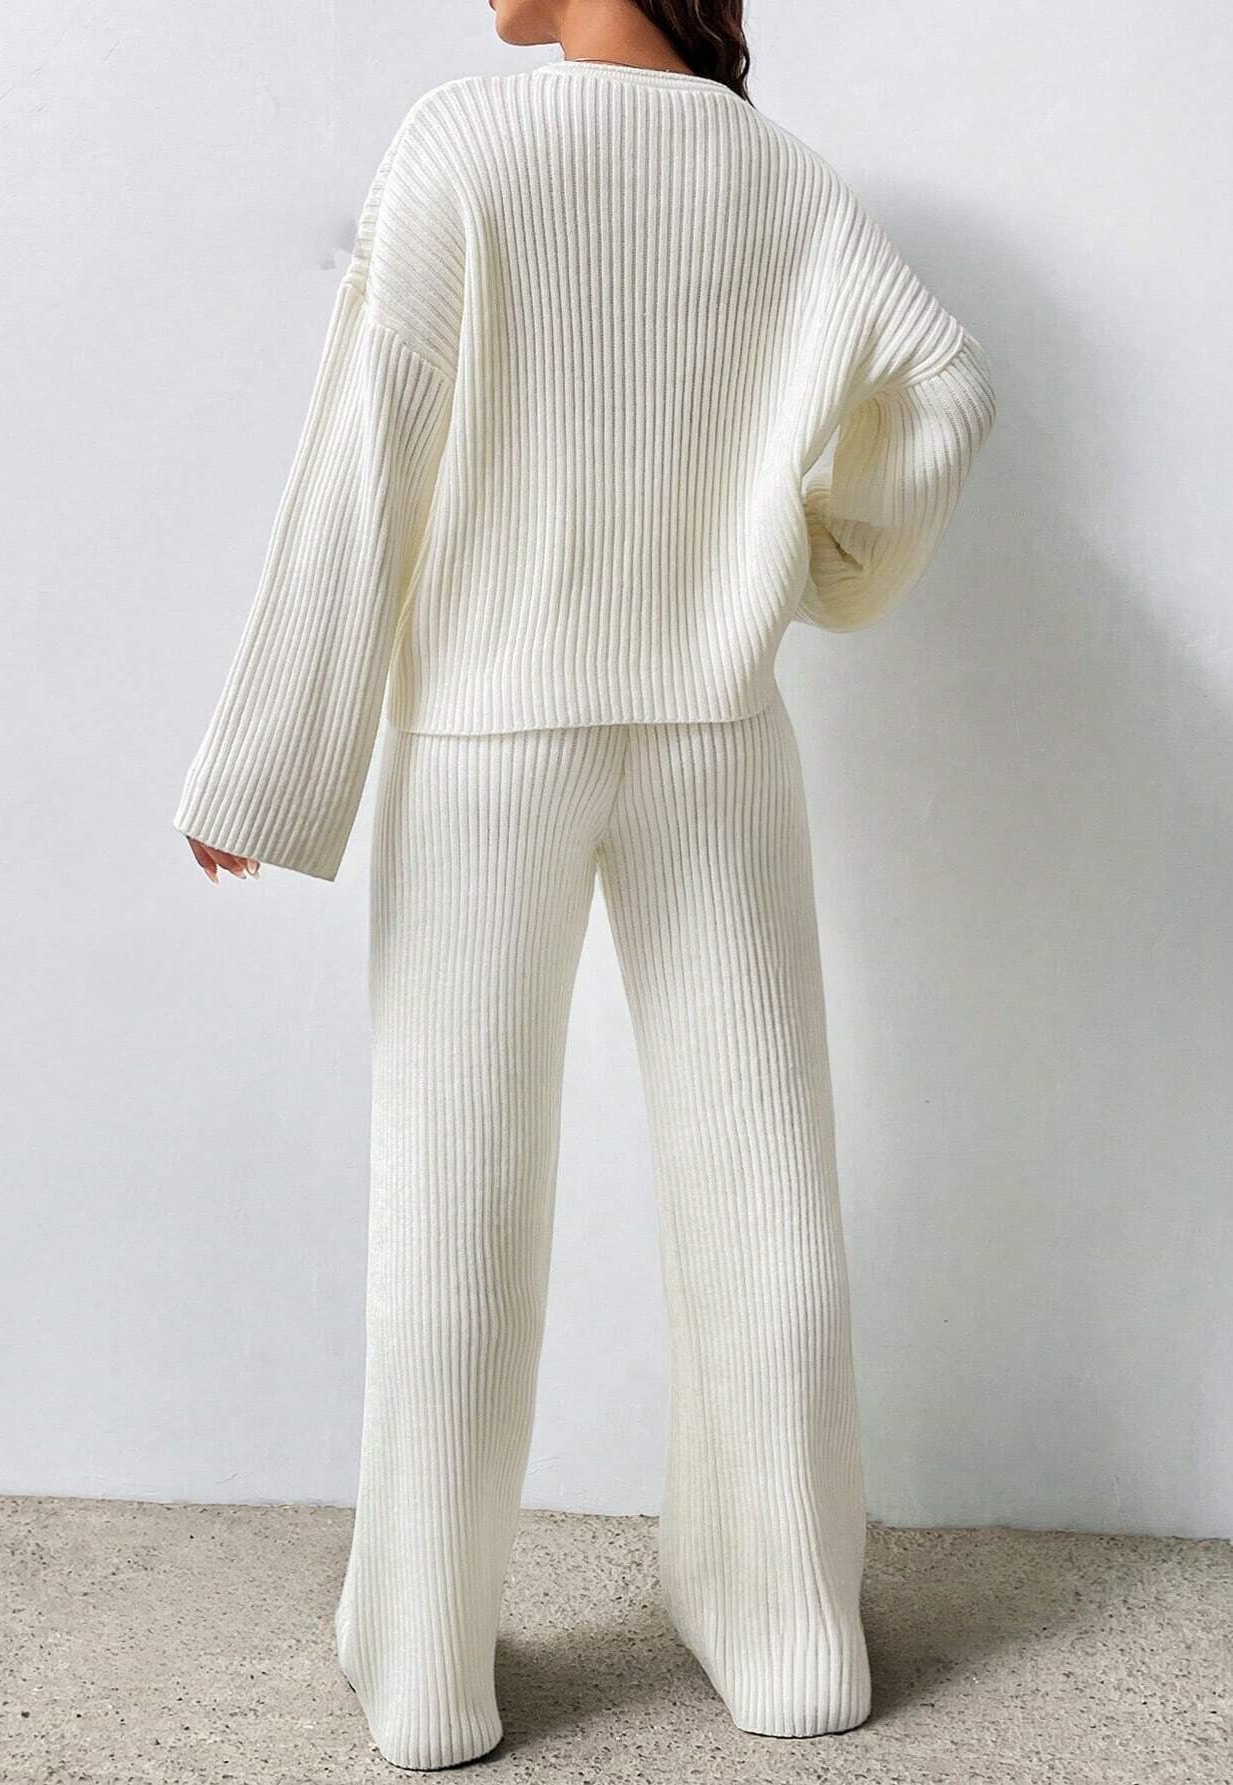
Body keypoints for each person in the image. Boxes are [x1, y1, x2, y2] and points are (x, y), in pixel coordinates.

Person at [173, 0, 996, 1768]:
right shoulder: (778, 180)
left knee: (456, 1205)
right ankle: (790, 1634)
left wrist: (271, 761)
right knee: (762, 1192)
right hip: (717, 738)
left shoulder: (465, 146)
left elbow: (373, 448)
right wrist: (821, 559)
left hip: (492, 743)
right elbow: (946, 388)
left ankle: (426, 1671)